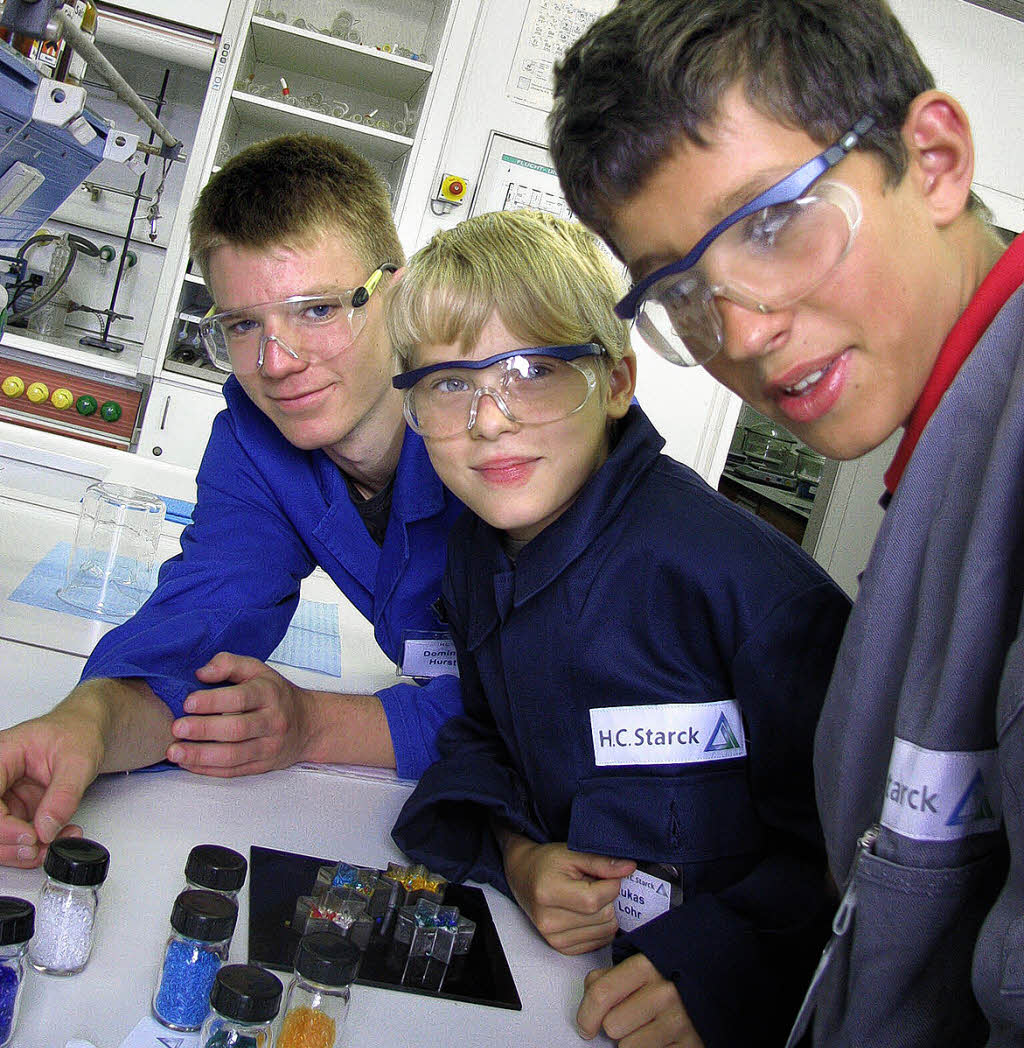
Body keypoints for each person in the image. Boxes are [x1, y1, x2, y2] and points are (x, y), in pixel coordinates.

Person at [549, 2, 1024, 1045]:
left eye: (771, 222)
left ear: (933, 159)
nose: (745, 332)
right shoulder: (943, 463)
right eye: (681, 291)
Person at [386, 209, 851, 1048]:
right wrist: (517, 855)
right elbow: (484, 734)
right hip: (558, 984)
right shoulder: (474, 553)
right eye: (449, 383)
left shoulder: (751, 594)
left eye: (530, 369)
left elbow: (857, 855)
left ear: (616, 380)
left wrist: (720, 970)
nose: (488, 419)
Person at [0, 133, 464, 870]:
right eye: (244, 325)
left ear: (397, 293)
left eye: (316, 310)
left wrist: (316, 724)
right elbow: (199, 627)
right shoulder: (255, 438)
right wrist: (88, 723)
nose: (275, 364)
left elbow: (552, 712)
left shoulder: (494, 437)